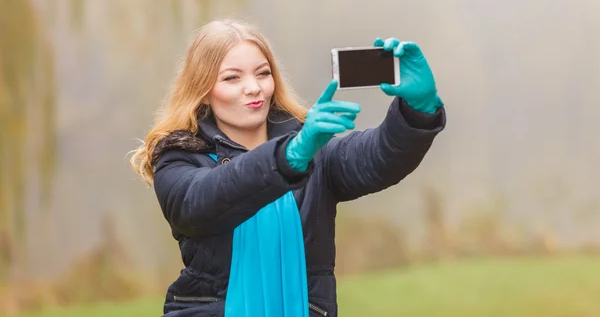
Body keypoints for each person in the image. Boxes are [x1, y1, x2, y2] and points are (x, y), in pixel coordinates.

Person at [129, 19, 446, 317]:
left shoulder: (313, 149)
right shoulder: (177, 159)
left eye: (262, 73)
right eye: (232, 78)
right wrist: (288, 156)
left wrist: (419, 110)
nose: (253, 88)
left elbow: (377, 157)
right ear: (204, 92)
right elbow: (204, 199)